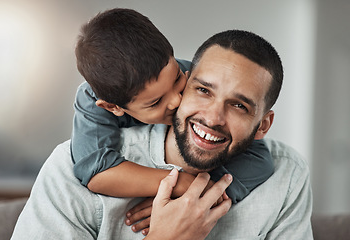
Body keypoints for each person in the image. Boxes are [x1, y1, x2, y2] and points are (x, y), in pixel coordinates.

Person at [11, 29, 313, 239]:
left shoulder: (288, 174)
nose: (213, 117)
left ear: (263, 125)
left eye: (238, 105)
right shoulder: (69, 167)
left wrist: (207, 196)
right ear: (189, 83)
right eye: (204, 90)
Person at [71, 8, 273, 206]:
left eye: (177, 79)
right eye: (155, 102)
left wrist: (202, 194)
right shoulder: (93, 99)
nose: (177, 100)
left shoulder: (194, 77)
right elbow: (96, 173)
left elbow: (258, 158)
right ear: (112, 107)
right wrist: (179, 184)